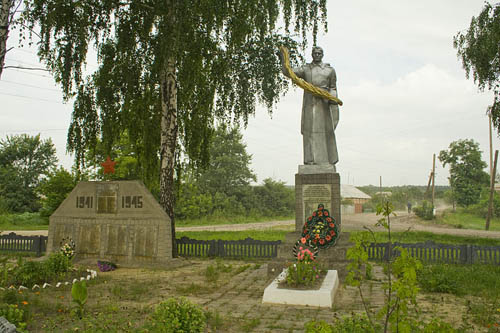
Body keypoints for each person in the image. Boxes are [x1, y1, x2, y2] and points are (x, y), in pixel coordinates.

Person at [281, 46, 339, 167]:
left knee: (326, 131)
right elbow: (289, 72)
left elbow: (333, 88)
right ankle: (310, 160)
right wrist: (283, 57)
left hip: (324, 102)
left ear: (322, 55)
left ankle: (327, 161)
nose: (317, 55)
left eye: (319, 53)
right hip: (309, 101)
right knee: (309, 131)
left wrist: (331, 97)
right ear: (312, 55)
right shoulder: (306, 69)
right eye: (315, 53)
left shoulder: (330, 70)